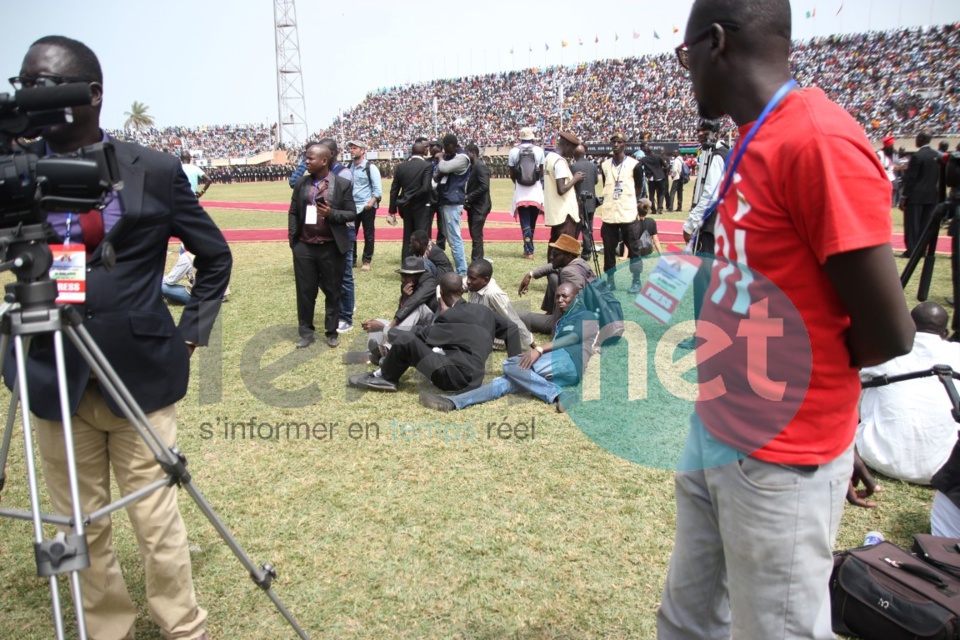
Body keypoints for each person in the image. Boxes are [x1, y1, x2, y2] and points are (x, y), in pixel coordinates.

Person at [657, 3, 915, 640]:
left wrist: (823, 421)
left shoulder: (816, 140)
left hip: (779, 453)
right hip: (718, 428)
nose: (683, 71)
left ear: (715, 44)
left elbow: (890, 330)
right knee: (687, 622)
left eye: (684, 54)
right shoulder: (757, 135)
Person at [4, 35, 232, 640]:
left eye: (48, 84)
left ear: (92, 94)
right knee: (76, 523)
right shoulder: (16, 171)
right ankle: (105, 628)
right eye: (25, 84)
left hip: (139, 373)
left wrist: (191, 332)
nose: (32, 95)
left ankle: (181, 625)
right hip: (52, 370)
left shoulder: (153, 169)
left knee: (155, 520)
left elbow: (213, 256)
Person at [419, 282, 596, 412]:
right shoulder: (563, 319)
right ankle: (454, 402)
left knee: (511, 364)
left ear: (577, 296)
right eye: (557, 296)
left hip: (568, 360)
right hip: (557, 368)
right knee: (506, 382)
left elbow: (573, 338)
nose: (559, 300)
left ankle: (559, 394)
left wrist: (539, 349)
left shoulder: (587, 315)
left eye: (565, 296)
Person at [348, 273, 521, 393]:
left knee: (406, 339)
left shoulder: (448, 317)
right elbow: (512, 330)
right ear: (462, 291)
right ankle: (386, 363)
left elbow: (419, 336)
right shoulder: (484, 312)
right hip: (475, 378)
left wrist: (387, 330)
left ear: (442, 294)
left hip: (454, 379)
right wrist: (514, 369)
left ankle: (385, 376)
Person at [856, 302, 960, 485]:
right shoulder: (956, 352)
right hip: (944, 465)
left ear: (909, 326)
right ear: (944, 334)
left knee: (867, 383)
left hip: (880, 457)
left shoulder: (889, 349)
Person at [288, 143, 356, 349]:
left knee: (333, 290)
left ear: (324, 161)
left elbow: (351, 213)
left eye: (310, 159)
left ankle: (331, 331)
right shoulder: (301, 183)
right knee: (305, 291)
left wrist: (331, 214)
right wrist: (294, 240)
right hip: (305, 247)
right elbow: (293, 212)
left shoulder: (342, 184)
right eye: (306, 158)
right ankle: (306, 332)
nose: (306, 162)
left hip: (331, 247)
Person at [361, 256, 439, 361]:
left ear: (416, 275)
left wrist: (390, 327)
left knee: (417, 307)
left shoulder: (430, 281)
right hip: (411, 327)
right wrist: (405, 297)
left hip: (430, 328)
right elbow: (402, 311)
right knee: (377, 322)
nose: (402, 279)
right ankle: (373, 354)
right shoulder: (406, 284)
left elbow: (415, 302)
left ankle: (388, 350)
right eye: (402, 275)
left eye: (405, 276)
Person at [597, 132, 646, 293]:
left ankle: (636, 281)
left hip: (627, 213)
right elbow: (607, 186)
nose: (615, 144)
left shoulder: (634, 165)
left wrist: (628, 200)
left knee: (633, 249)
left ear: (625, 144)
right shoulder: (604, 165)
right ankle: (610, 281)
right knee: (609, 250)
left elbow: (638, 187)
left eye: (619, 142)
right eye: (613, 142)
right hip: (610, 213)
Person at [517, 233, 595, 335]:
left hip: (575, 322)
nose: (551, 256)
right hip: (591, 313)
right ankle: (550, 312)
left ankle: (551, 319)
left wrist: (556, 330)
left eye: (555, 254)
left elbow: (574, 304)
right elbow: (551, 267)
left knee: (519, 315)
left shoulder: (568, 272)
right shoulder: (580, 263)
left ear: (568, 256)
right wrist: (530, 274)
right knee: (553, 275)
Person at [465, 259, 534, 350]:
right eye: (468, 277)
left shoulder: (494, 294)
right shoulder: (474, 285)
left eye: (472, 279)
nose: (468, 281)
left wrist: (535, 347)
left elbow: (514, 319)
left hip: (496, 337)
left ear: (485, 280)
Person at [900, 130, 942, 257]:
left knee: (913, 224)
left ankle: (912, 250)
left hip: (916, 195)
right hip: (931, 195)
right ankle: (922, 249)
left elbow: (911, 178)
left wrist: (904, 196)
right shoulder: (936, 155)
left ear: (921, 140)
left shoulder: (917, 156)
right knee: (925, 224)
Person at [390, 141, 434, 260]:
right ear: (423, 152)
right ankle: (423, 265)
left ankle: (407, 264)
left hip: (406, 207)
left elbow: (394, 189)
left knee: (408, 237)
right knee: (422, 237)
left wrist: (392, 209)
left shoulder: (401, 167)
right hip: (422, 207)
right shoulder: (427, 166)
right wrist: (410, 198)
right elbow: (425, 188)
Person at [433, 133, 470, 275]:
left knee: (454, 238)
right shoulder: (451, 156)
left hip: (453, 202)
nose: (444, 151)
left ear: (453, 145)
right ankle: (460, 269)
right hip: (446, 200)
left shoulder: (462, 158)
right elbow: (437, 174)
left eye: (446, 147)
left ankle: (462, 271)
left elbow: (443, 168)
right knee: (451, 238)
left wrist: (441, 158)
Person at [543, 132, 584, 259]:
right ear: (566, 145)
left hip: (555, 211)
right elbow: (561, 189)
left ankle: (551, 274)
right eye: (572, 149)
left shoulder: (549, 158)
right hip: (564, 213)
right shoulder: (559, 162)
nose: (573, 153)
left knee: (554, 244)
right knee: (565, 249)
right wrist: (575, 179)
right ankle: (560, 276)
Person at [508, 127, 546, 260]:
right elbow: (541, 171)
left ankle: (529, 250)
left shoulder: (513, 151)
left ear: (520, 137)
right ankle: (528, 248)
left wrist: (519, 183)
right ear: (532, 137)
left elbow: (512, 173)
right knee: (532, 222)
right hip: (535, 190)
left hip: (521, 191)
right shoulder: (539, 151)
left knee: (524, 222)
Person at [347, 140, 382, 271]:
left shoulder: (370, 167)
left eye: (355, 148)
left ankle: (366, 260)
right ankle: (352, 259)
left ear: (362, 151)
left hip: (367, 206)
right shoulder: (349, 166)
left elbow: (377, 189)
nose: (352, 150)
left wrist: (370, 204)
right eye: (351, 148)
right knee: (351, 234)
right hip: (352, 206)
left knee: (368, 234)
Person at [572, 143, 600, 261]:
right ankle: (587, 252)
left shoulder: (572, 167)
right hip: (590, 201)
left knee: (575, 228)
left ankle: (572, 249)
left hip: (577, 202)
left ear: (574, 154)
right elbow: (595, 181)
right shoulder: (593, 166)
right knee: (588, 228)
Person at [464, 143, 491, 262]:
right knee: (475, 235)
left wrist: (470, 196)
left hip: (480, 207)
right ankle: (478, 259)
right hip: (474, 207)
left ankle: (477, 261)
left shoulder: (480, 166)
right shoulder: (472, 167)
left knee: (476, 235)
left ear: (473, 153)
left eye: (467, 153)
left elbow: (484, 186)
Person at [641, 145, 669, 214]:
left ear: (646, 151)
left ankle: (653, 209)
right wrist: (662, 169)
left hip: (651, 178)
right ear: (653, 150)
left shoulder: (644, 159)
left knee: (651, 194)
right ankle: (660, 208)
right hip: (660, 177)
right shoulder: (658, 156)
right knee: (661, 193)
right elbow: (666, 165)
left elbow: (642, 168)